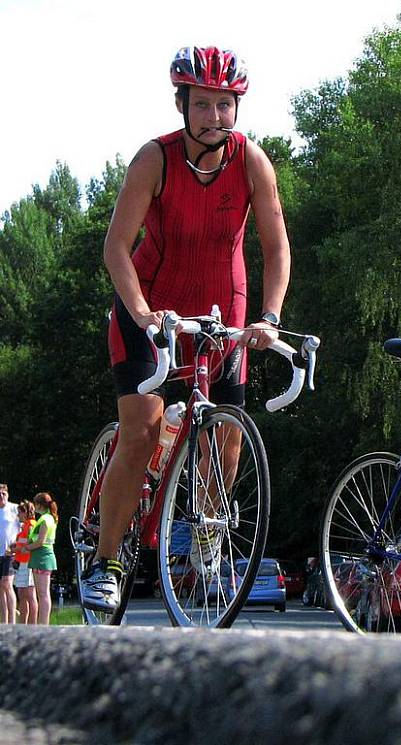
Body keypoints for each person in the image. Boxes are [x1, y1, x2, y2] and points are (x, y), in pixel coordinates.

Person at [81, 46, 291, 614]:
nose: (215, 117)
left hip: (224, 311)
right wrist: (143, 312)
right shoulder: (156, 159)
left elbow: (275, 247)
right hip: (150, 310)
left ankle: (207, 527)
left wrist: (268, 318)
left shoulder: (252, 161)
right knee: (142, 431)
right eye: (203, 104)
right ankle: (107, 561)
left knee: (228, 436)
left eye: (225, 105)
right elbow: (116, 249)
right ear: (183, 104)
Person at [25, 492, 58, 625]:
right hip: (42, 557)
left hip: (42, 557)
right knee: (42, 594)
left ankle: (43, 623)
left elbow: (40, 541)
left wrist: (26, 548)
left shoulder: (45, 519)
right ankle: (43, 622)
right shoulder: (49, 517)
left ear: (39, 505)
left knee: (43, 594)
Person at [10, 500, 38, 624]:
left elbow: (31, 544)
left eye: (20, 513)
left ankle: (33, 626)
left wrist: (16, 549)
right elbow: (23, 542)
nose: (18, 516)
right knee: (22, 594)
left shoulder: (31, 525)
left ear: (26, 512)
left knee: (30, 594)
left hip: (28, 563)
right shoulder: (24, 526)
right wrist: (14, 547)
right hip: (21, 563)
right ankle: (23, 624)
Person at [0, 484, 19, 624]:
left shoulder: (14, 508)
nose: (1, 496)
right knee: (1, 587)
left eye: (3, 494)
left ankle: (12, 620)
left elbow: (27, 525)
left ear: (7, 495)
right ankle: (4, 622)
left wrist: (18, 545)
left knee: (6, 583)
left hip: (10, 553)